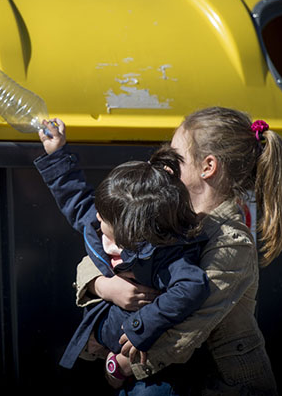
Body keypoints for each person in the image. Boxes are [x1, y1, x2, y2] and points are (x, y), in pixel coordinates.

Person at [75, 106, 282, 395]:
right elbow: (105, 247)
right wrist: (103, 286)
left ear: (208, 167)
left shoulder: (231, 243)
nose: (165, 166)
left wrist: (123, 364)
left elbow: (189, 328)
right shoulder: (168, 211)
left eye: (177, 158)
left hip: (218, 384)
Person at [34, 118, 210, 388]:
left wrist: (143, 326)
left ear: (132, 232)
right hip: (111, 349)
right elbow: (77, 201)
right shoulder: (104, 226)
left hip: (151, 369)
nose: (95, 217)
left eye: (104, 218)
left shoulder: (165, 254)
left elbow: (192, 286)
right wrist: (57, 154)